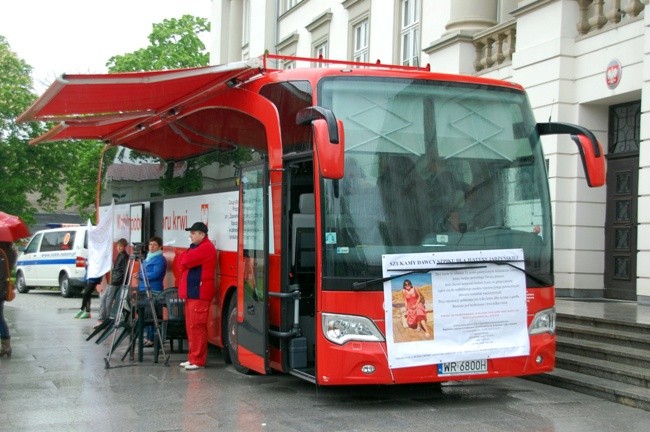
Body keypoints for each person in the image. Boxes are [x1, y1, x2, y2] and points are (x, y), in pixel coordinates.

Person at [175, 222, 216, 370]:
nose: (190, 235)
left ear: (202, 235)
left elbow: (184, 260)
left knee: (197, 327)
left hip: (199, 293)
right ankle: (193, 358)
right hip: (193, 293)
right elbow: (180, 262)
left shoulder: (205, 248)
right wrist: (184, 259)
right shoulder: (198, 247)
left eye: (193, 233)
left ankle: (198, 360)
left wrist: (184, 259)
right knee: (192, 327)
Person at [136, 236, 166, 346]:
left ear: (159, 247)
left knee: (152, 314)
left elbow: (156, 274)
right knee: (147, 314)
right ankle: (148, 337)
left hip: (153, 289)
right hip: (143, 289)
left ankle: (152, 338)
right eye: (150, 244)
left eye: (154, 245)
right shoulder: (148, 257)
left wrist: (141, 275)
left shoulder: (160, 259)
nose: (151, 247)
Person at [95, 238, 129, 328]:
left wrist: (124, 282)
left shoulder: (124, 256)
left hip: (116, 281)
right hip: (115, 280)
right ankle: (103, 318)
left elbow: (125, 270)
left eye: (120, 246)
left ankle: (105, 319)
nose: (118, 248)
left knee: (107, 300)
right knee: (105, 299)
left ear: (124, 247)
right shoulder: (121, 255)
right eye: (117, 246)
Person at [1, 242, 17, 358]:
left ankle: (6, 347)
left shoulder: (1, 253)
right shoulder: (10, 252)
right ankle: (6, 346)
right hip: (2, 290)